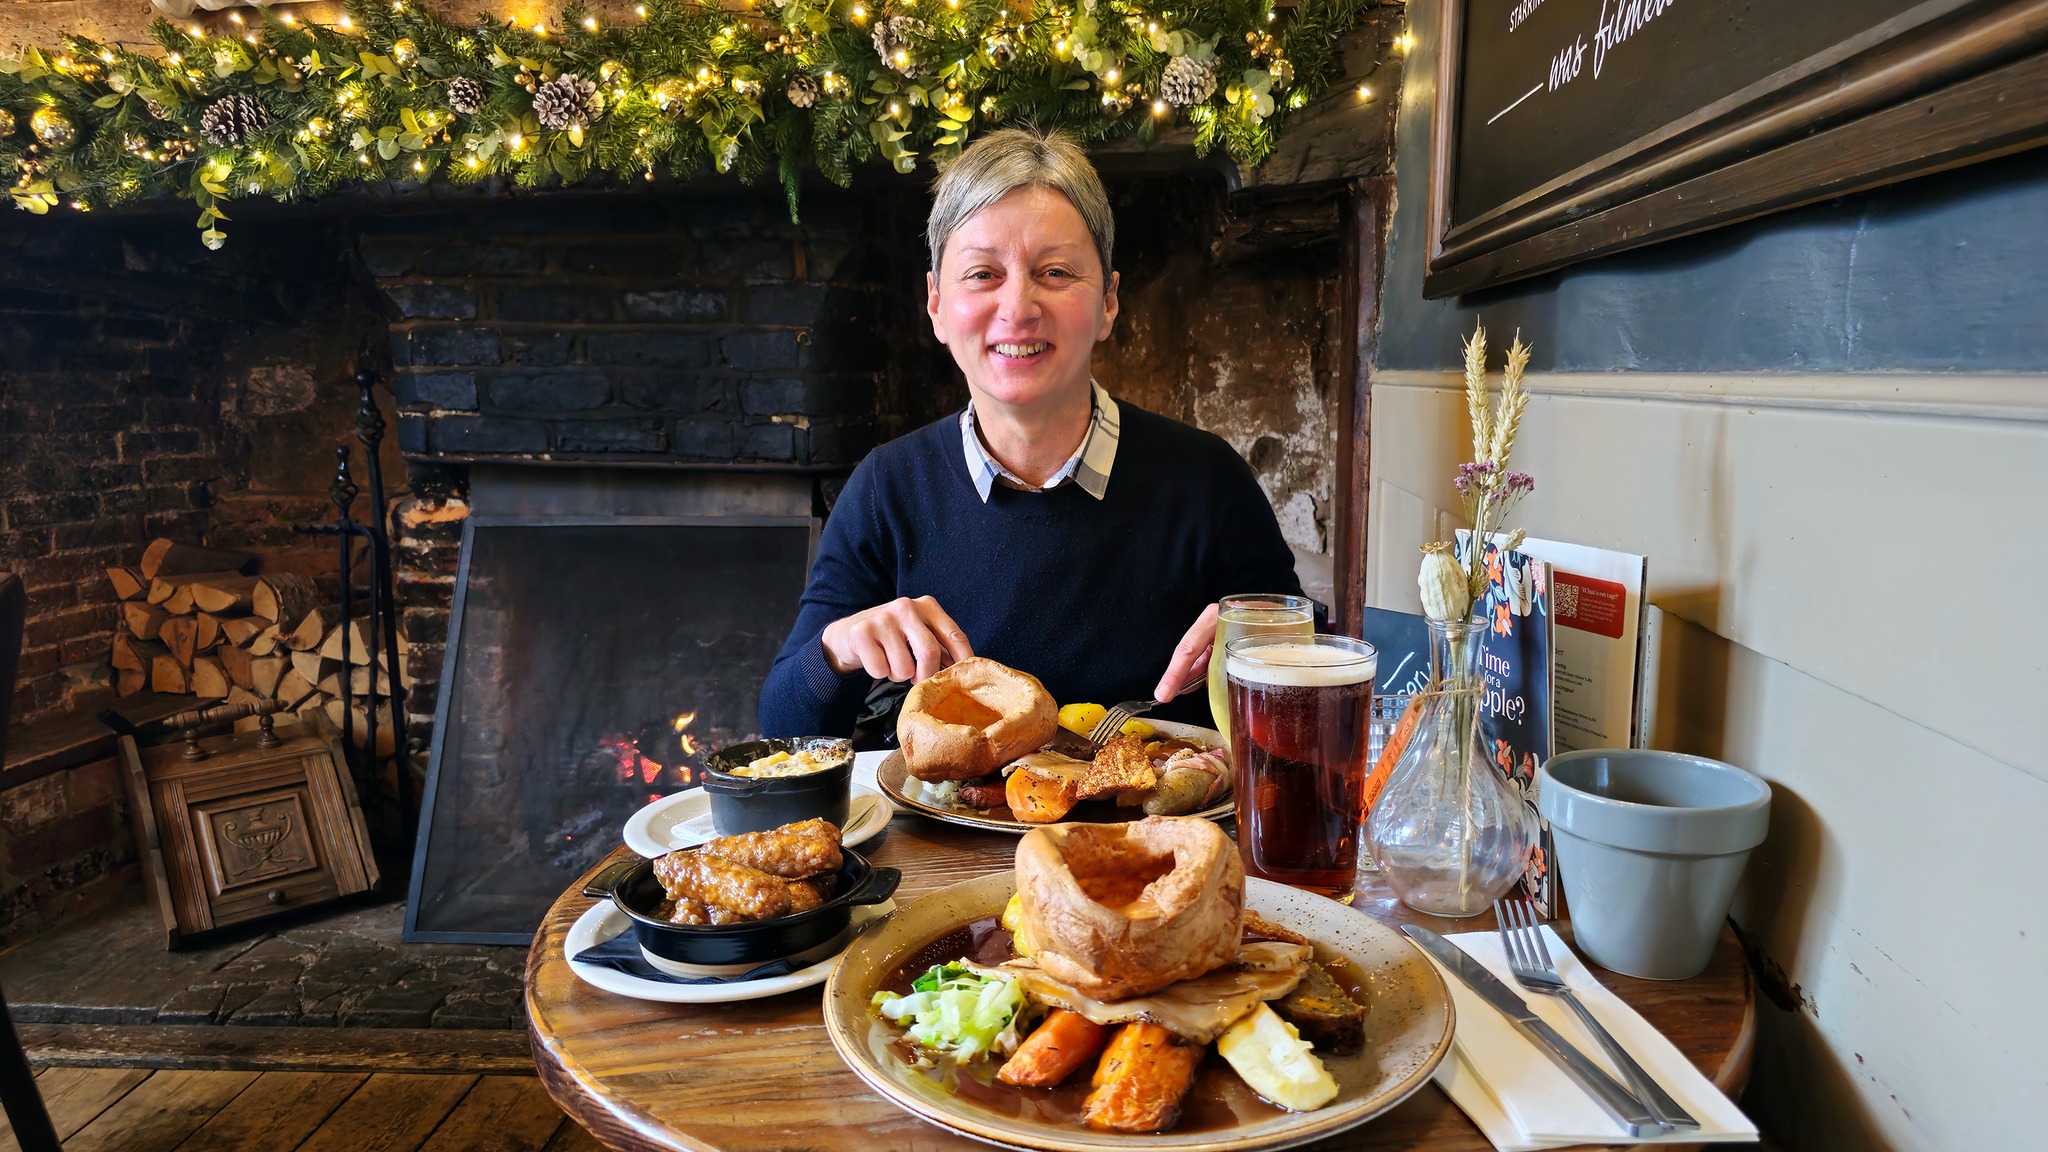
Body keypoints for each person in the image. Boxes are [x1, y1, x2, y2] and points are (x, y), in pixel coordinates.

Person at [758, 128, 1306, 739]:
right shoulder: (887, 487)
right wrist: (836, 650)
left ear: (1109, 302)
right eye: (982, 274)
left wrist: (1272, 651)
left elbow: (1305, 695)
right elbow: (781, 725)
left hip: (1156, 800)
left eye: (1056, 271)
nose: (1018, 307)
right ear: (936, 304)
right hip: (943, 805)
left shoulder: (1208, 480)